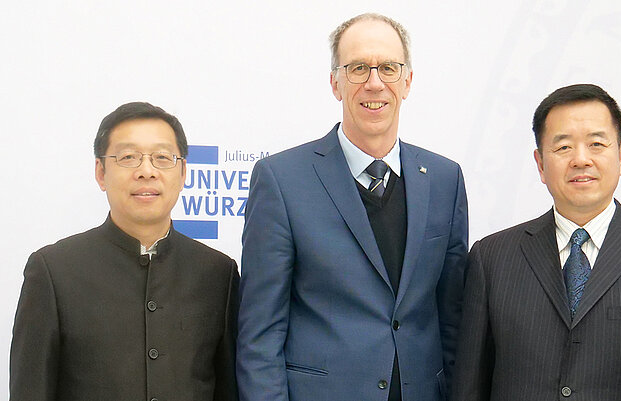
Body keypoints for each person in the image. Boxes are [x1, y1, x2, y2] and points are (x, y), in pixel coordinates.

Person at [236, 13, 468, 401]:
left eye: (388, 68)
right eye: (358, 68)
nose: (374, 82)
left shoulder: (446, 179)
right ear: (335, 83)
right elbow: (260, 335)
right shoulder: (281, 180)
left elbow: (453, 321)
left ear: (407, 81)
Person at [450, 83, 621, 401]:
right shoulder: (491, 258)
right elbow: (469, 387)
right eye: (563, 147)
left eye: (596, 144)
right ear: (540, 163)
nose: (581, 159)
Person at [10, 102, 240, 401]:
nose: (147, 171)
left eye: (162, 157)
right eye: (128, 157)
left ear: (183, 173)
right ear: (101, 172)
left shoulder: (218, 273)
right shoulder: (53, 270)